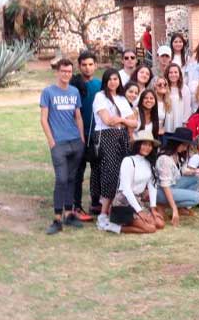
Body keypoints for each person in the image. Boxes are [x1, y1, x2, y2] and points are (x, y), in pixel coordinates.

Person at [41, 59, 85, 234]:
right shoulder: (48, 92)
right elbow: (43, 119)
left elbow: (78, 116)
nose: (66, 74)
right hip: (58, 143)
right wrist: (51, 142)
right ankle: (57, 219)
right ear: (57, 72)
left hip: (75, 141)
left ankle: (69, 214)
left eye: (69, 71)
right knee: (61, 179)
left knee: (71, 179)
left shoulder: (74, 92)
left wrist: (81, 138)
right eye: (63, 71)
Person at [91, 68, 137, 229]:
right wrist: (123, 120)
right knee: (109, 173)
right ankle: (102, 214)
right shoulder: (100, 97)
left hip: (121, 137)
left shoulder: (122, 99)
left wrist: (120, 120)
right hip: (106, 137)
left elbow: (134, 123)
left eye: (115, 79)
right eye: (110, 79)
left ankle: (114, 211)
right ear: (105, 81)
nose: (113, 82)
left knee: (122, 174)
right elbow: (107, 120)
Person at [103, 131, 165, 235]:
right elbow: (126, 190)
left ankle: (130, 223)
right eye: (144, 144)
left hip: (138, 200)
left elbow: (152, 186)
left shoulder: (148, 162)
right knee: (151, 229)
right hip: (124, 201)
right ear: (138, 145)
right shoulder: (128, 161)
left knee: (160, 224)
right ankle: (114, 228)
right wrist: (140, 212)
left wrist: (153, 208)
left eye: (150, 145)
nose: (147, 147)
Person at [72, 50, 101, 221]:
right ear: (79, 66)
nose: (87, 68)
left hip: (96, 133)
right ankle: (76, 205)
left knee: (97, 169)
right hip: (78, 134)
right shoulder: (74, 85)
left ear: (95, 66)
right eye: (84, 65)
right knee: (78, 170)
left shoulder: (100, 84)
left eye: (91, 64)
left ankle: (95, 202)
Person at [155, 127, 199, 223]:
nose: (186, 148)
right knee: (198, 197)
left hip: (173, 186)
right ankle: (161, 205)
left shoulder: (178, 155)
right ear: (176, 143)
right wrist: (174, 209)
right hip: (161, 191)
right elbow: (165, 185)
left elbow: (183, 170)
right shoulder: (165, 159)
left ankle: (174, 207)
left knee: (198, 177)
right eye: (184, 145)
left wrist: (197, 171)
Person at [163, 63, 191, 131]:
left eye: (176, 72)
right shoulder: (164, 87)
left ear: (179, 74)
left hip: (179, 123)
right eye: (171, 72)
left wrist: (184, 123)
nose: (173, 75)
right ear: (167, 74)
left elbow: (187, 109)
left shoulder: (184, 89)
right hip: (166, 122)